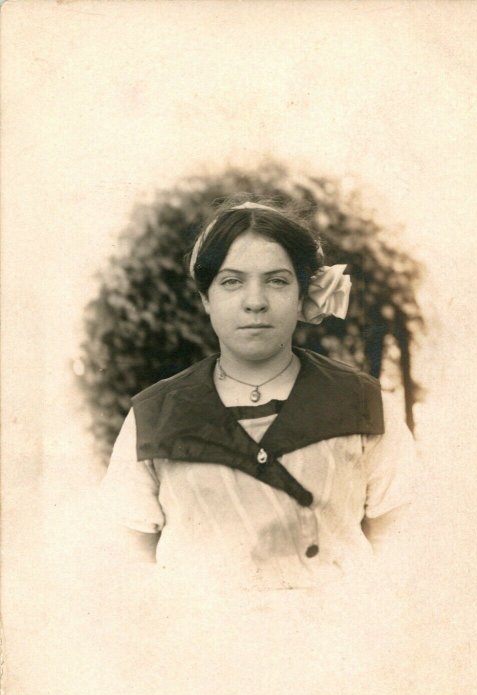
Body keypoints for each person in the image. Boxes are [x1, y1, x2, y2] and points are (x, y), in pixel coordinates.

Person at [102, 198, 416, 594]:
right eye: (232, 281)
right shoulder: (154, 415)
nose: (255, 301)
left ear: (303, 294)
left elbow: (401, 545)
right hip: (201, 641)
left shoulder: (364, 404)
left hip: (335, 639)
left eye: (277, 280)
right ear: (206, 298)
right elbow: (128, 560)